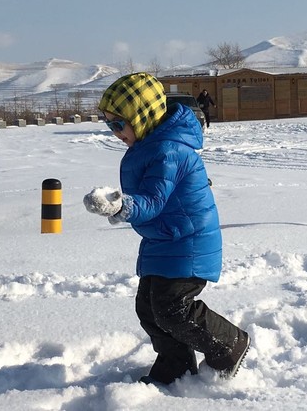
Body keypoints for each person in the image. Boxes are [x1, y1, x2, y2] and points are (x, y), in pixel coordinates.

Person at [83, 73, 249, 385]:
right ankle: (176, 368)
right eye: (108, 125)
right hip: (165, 240)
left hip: (188, 242)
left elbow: (153, 200)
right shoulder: (150, 144)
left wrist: (121, 205)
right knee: (149, 308)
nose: (115, 132)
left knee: (172, 308)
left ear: (142, 116)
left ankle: (230, 344)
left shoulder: (167, 150)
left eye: (119, 124)